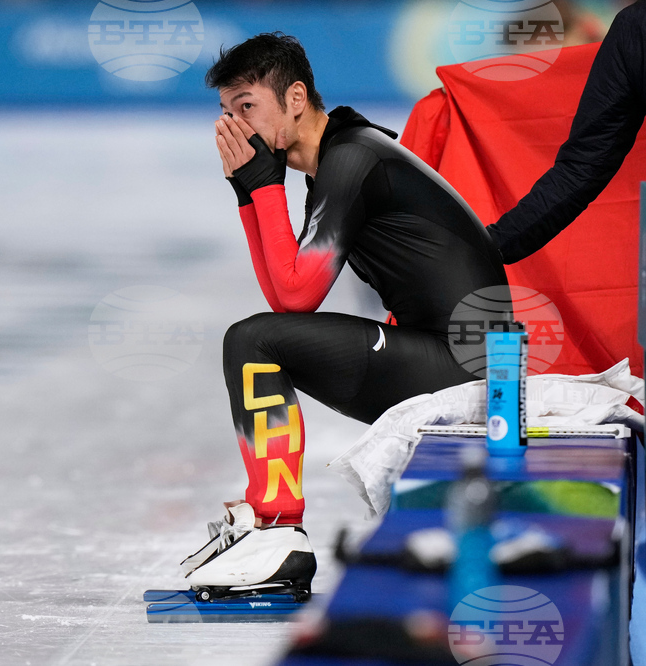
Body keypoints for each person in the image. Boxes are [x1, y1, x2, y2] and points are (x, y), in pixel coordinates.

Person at [179, 33, 510, 598]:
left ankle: (277, 527)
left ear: (296, 97)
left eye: (248, 108)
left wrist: (261, 188)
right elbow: (283, 292)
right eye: (227, 113)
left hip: (468, 370)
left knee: (252, 340)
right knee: (255, 338)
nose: (236, 128)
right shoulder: (334, 158)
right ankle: (272, 524)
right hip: (453, 358)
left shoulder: (352, 158)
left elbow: (296, 297)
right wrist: (248, 193)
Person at [486, 0, 645, 264]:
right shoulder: (634, 28)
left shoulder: (633, 27)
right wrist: (488, 247)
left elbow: (583, 166)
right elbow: (583, 166)